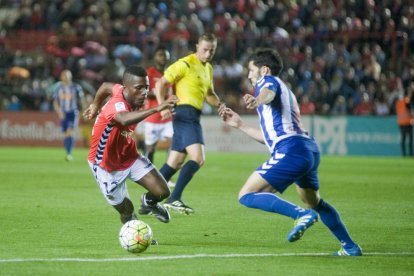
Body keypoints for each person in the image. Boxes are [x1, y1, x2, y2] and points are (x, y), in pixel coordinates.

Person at [218, 48, 362, 256]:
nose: (249, 75)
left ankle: (300, 215)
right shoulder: (282, 91)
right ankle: (350, 247)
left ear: (264, 70)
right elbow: (270, 139)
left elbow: (268, 93)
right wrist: (240, 125)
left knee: (246, 194)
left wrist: (257, 100)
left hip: (292, 149)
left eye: (251, 70)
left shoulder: (269, 83)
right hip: (307, 149)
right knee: (315, 201)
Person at [83, 65, 177, 225]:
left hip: (128, 155)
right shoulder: (117, 104)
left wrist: (95, 104)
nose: (144, 92)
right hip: (105, 166)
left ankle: (149, 202)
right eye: (139, 88)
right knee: (126, 210)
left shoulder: (121, 90)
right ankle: (136, 236)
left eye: (146, 88)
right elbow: (124, 119)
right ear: (126, 88)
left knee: (162, 192)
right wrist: (157, 108)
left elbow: (106, 86)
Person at [152, 33, 224, 214]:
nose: (208, 54)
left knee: (174, 162)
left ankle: (148, 200)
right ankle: (174, 198)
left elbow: (209, 94)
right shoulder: (185, 63)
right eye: (205, 49)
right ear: (197, 46)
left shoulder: (208, 69)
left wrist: (221, 105)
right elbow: (160, 84)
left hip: (191, 115)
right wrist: (162, 107)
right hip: (185, 114)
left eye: (211, 51)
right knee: (198, 159)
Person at [142, 46, 174, 163]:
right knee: (150, 149)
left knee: (174, 144)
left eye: (165, 56)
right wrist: (158, 93)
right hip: (152, 116)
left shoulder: (171, 73)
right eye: (160, 55)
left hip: (168, 117)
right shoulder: (149, 73)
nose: (163, 58)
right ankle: (148, 175)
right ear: (155, 57)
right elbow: (144, 93)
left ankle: (167, 176)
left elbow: (174, 92)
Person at [52, 69, 85, 161]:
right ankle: (68, 152)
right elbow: (55, 102)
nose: (65, 77)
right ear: (61, 77)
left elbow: (82, 100)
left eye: (67, 75)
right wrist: (59, 112)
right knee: (66, 134)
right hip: (63, 113)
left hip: (73, 112)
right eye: (64, 75)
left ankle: (69, 154)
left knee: (70, 131)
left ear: (70, 76)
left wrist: (82, 111)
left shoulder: (76, 87)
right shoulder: (58, 88)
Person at [395, 90, 413, 157]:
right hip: (407, 123)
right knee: (409, 140)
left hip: (402, 123)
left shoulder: (398, 103)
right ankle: (410, 154)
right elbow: (409, 108)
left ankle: (404, 154)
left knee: (404, 139)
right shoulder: (406, 100)